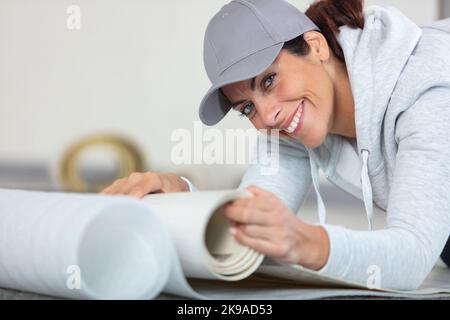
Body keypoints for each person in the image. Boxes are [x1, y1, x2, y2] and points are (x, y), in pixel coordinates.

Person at [100, 0, 450, 290]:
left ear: (316, 46)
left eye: (268, 80)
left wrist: (305, 242)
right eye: (246, 108)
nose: (266, 116)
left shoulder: (428, 91)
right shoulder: (291, 124)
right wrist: (181, 200)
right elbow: (250, 225)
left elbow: (413, 253)